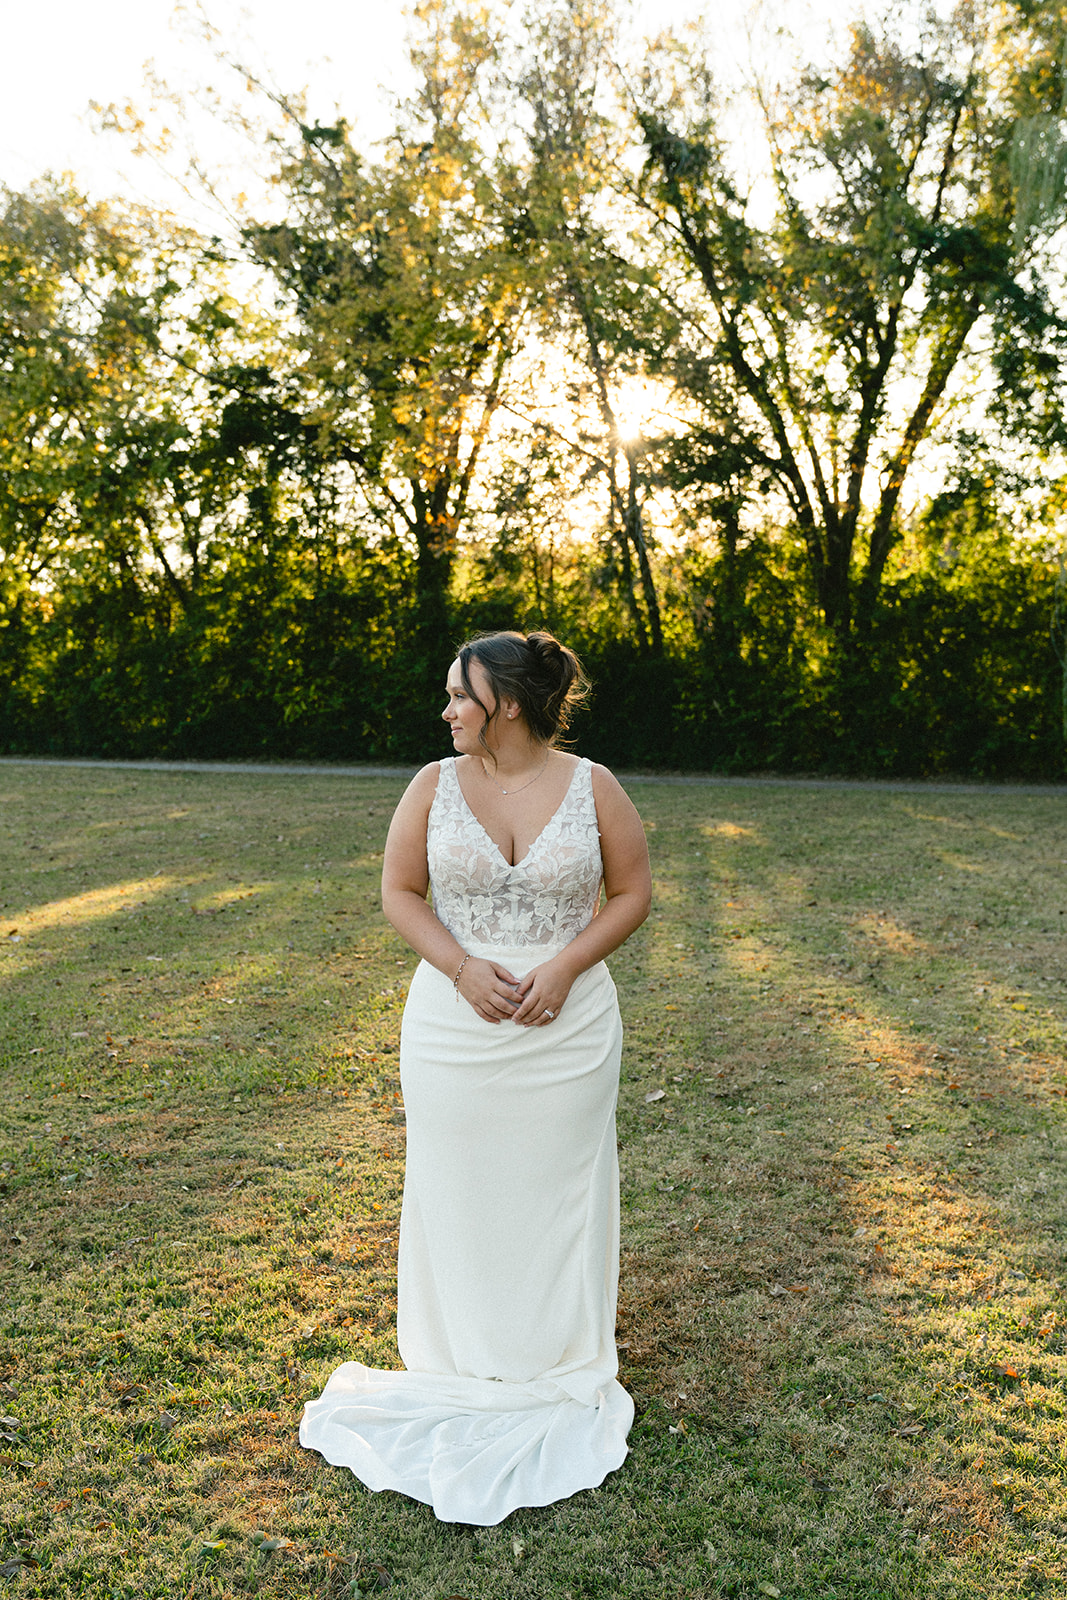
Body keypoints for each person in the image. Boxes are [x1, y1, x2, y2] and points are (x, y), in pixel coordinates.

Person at [299, 630, 651, 1525]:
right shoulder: (430, 786)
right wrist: (460, 968)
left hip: (565, 1030)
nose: (447, 708)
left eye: (461, 695)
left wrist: (565, 968)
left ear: (510, 703)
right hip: (452, 1027)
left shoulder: (594, 787)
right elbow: (398, 892)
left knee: (556, 1189)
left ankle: (553, 1353)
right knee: (456, 1186)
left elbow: (631, 893)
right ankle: (459, 1353)